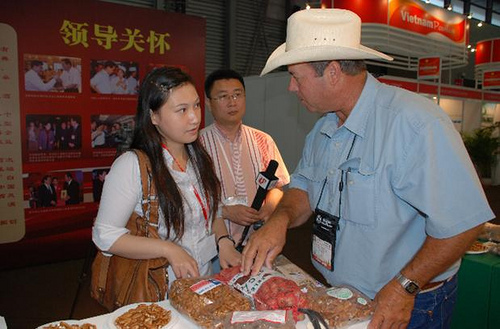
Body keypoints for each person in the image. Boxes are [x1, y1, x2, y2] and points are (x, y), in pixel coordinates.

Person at [241, 9, 494, 329]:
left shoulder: (415, 125)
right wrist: (280, 219)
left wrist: (406, 286)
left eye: (296, 76)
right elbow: (304, 188)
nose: (292, 87)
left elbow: (462, 223)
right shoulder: (322, 131)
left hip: (406, 301)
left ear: (332, 72)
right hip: (344, 297)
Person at [92, 67, 241, 284]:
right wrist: (169, 249)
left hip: (203, 281)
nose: (194, 118)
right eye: (181, 110)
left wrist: (223, 240)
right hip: (159, 288)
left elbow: (212, 208)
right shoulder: (133, 165)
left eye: (196, 105)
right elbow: (104, 235)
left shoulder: (198, 157)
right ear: (153, 116)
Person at [199, 69, 290, 250]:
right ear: (209, 103)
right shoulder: (197, 144)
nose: (232, 102)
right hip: (214, 245)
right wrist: (225, 212)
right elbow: (188, 199)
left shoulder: (263, 140)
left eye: (237, 95)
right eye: (223, 96)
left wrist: (268, 208)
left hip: (258, 239)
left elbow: (277, 187)